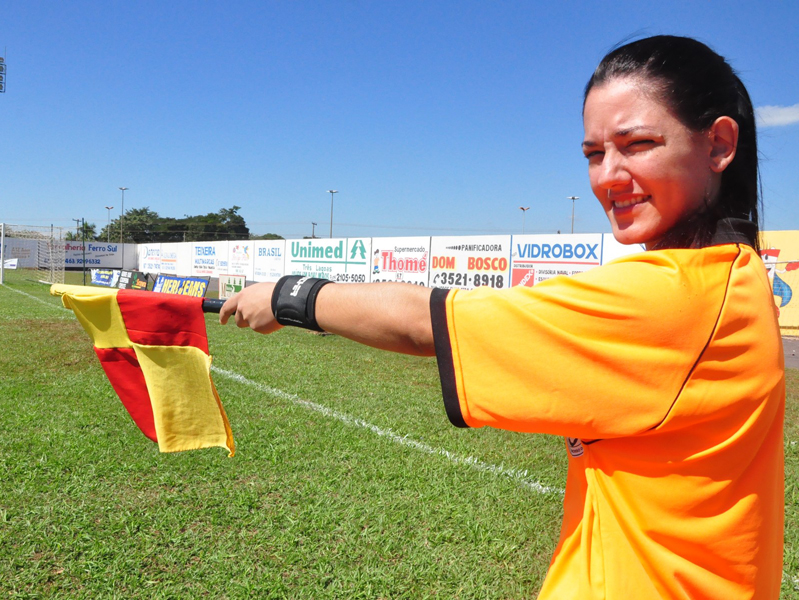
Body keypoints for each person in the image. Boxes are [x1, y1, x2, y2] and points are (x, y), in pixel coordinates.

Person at [220, 35, 784, 599]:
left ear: (718, 145)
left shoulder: (680, 298)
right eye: (593, 154)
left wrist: (287, 296)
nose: (607, 176)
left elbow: (426, 323)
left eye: (636, 144)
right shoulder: (733, 277)